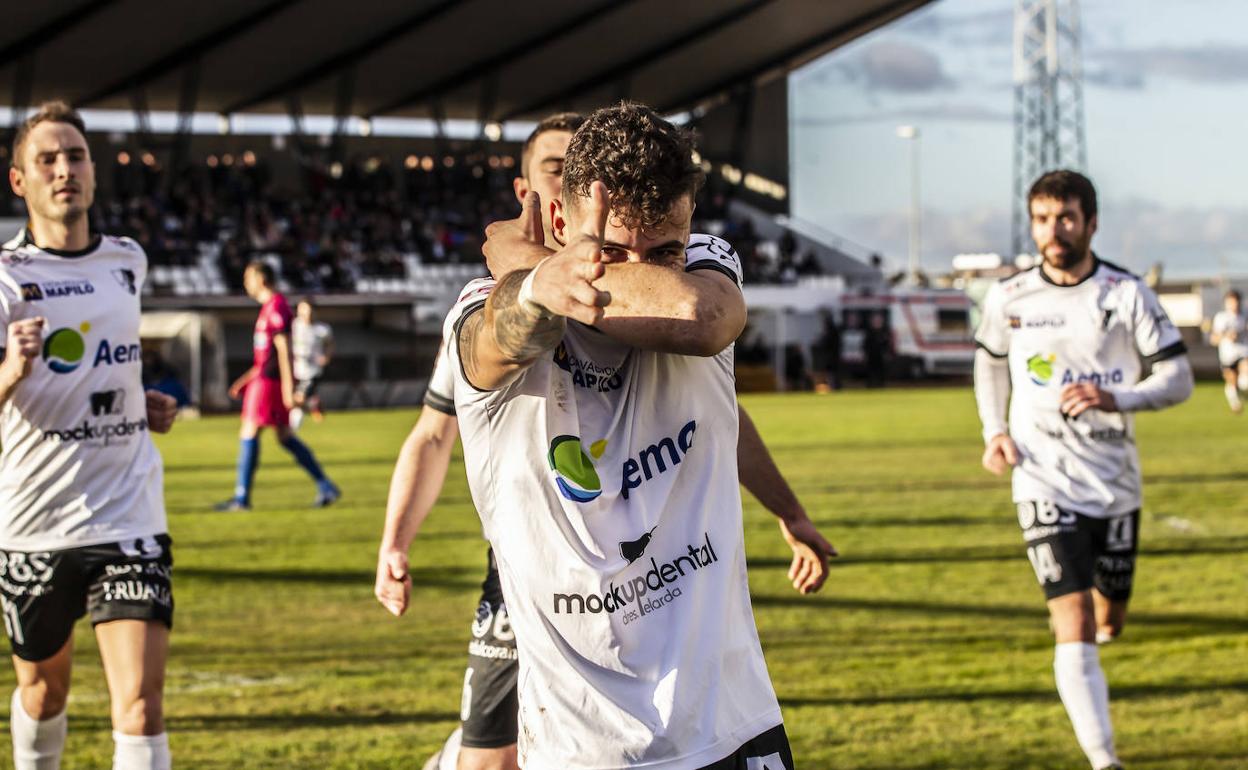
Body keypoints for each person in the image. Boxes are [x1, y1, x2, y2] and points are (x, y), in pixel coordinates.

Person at [376, 114, 836, 770]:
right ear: (563, 222)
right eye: (614, 250)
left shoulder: (709, 267)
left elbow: (702, 319)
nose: (643, 270)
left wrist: (545, 265)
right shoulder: (484, 307)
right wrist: (537, 284)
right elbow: (498, 343)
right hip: (586, 750)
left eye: (664, 253)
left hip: (734, 727)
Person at [974, 170, 1193, 770]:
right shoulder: (1009, 296)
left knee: (1107, 620)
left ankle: (1098, 649)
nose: (1054, 230)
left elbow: (1179, 377)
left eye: (1066, 217)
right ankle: (1105, 760)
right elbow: (989, 364)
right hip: (1041, 475)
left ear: (1091, 223)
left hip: (1114, 480)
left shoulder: (1125, 295)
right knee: (1069, 617)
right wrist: (995, 430)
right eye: (1043, 218)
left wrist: (1118, 398)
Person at [0, 101, 180, 770]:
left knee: (138, 706)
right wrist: (12, 369)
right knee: (42, 694)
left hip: (129, 511)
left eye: (74, 156)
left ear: (94, 173)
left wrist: (145, 405)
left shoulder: (126, 261)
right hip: (35, 522)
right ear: (20, 182)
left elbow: (112, 364)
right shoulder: (6, 278)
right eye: (45, 160)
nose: (63, 170)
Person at [215, 262, 340, 511]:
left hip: (270, 384)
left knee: (250, 431)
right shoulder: (268, 308)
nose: (245, 283)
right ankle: (326, 485)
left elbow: (284, 351)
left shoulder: (277, 307)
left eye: (248, 278)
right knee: (284, 436)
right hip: (263, 379)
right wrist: (245, 380)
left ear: (261, 279)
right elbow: (266, 357)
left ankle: (242, 498)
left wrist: (286, 388)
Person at [290, 297, 334, 429]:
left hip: (312, 372)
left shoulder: (322, 329)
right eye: (303, 311)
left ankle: (292, 431)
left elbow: (330, 344)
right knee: (295, 400)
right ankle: (314, 403)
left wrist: (326, 356)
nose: (306, 314)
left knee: (299, 399)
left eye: (309, 311)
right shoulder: (294, 325)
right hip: (295, 369)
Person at [1208, 289, 1247, 413]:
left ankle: (1243, 394)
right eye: (1231, 302)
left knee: (1245, 378)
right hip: (1227, 356)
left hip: (1243, 352)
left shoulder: (1244, 315)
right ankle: (1235, 400)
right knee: (1232, 382)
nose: (1233, 305)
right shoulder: (1221, 318)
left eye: (1235, 302)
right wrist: (1226, 336)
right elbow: (1213, 339)